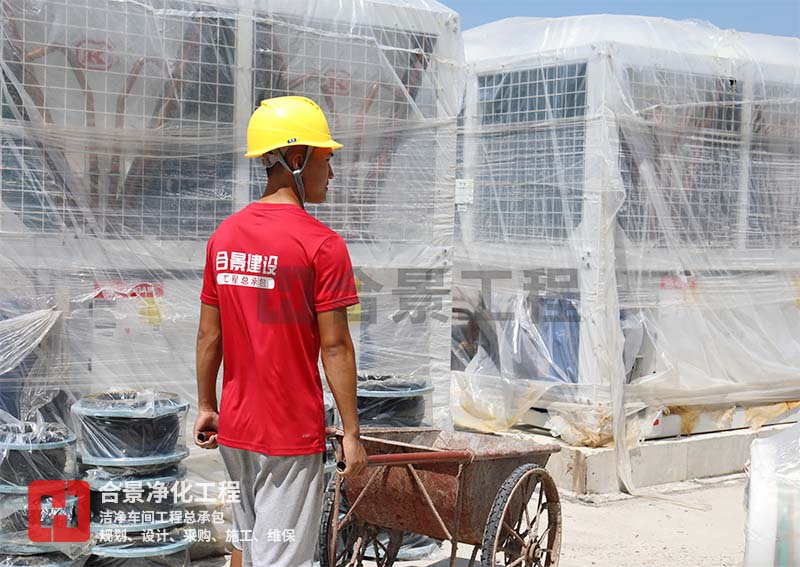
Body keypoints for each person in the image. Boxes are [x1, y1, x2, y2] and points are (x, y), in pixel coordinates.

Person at [194, 96, 368, 567]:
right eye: (325, 159)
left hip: (236, 428)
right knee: (282, 554)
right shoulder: (322, 245)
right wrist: (352, 433)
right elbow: (336, 346)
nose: (331, 173)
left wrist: (208, 406)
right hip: (289, 433)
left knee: (246, 542)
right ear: (296, 159)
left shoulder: (224, 237)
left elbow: (209, 336)